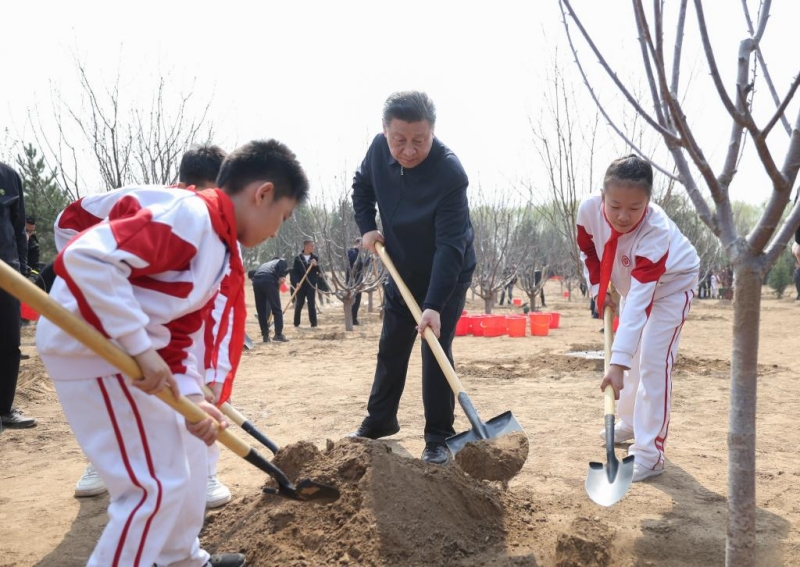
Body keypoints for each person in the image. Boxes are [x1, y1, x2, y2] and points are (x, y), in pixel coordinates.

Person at [35, 139, 308, 567]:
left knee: (176, 475)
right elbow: (86, 259)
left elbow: (179, 332)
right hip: (93, 348)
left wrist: (193, 398)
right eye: (283, 217)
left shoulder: (218, 248)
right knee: (153, 488)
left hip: (120, 355)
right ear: (263, 193)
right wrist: (140, 347)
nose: (277, 230)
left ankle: (180, 560)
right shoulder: (190, 217)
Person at [63, 145, 235, 509]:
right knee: (112, 396)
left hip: (175, 315)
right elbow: (69, 224)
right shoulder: (162, 205)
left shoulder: (219, 227)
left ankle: (203, 473)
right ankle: (103, 465)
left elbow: (224, 303)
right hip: (117, 318)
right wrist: (83, 295)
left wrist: (216, 378)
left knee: (186, 379)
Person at [349, 91, 476, 465]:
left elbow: (451, 246)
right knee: (392, 345)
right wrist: (366, 227)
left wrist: (434, 305)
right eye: (399, 140)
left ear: (432, 133)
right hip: (400, 266)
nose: (408, 150)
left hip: (446, 274)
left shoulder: (450, 174)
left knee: (435, 348)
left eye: (419, 140)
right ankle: (380, 420)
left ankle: (439, 436)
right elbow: (362, 187)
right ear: (385, 131)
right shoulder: (377, 152)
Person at [577, 154, 699, 483]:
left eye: (635, 207)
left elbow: (641, 302)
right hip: (635, 283)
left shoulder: (655, 231)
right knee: (631, 353)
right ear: (602, 195)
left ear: (648, 201)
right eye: (615, 205)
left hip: (672, 286)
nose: (623, 216)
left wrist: (614, 364)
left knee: (652, 362)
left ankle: (649, 453)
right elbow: (588, 250)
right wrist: (600, 291)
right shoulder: (588, 210)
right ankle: (629, 423)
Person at [0, 161, 37, 430]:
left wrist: (22, 273)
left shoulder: (9, 176)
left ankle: (4, 408)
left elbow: (18, 228)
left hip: (7, 273)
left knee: (9, 342)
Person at [252, 257, 290, 342]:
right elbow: (281, 278)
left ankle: (265, 336)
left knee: (261, 310)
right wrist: (281, 276)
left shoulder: (265, 264)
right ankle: (278, 334)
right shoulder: (281, 260)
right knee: (276, 309)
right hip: (268, 279)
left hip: (256, 280)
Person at [292, 239, 320, 327]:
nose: (313, 247)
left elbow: (319, 271)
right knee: (300, 303)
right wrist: (296, 282)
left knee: (311, 303)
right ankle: (296, 323)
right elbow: (295, 272)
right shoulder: (298, 258)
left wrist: (316, 265)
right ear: (306, 246)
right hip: (301, 284)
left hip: (311, 284)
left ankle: (314, 324)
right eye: (312, 245)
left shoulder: (315, 257)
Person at [347, 237, 365, 325]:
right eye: (362, 244)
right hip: (354, 282)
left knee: (357, 301)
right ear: (357, 243)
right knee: (355, 301)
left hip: (357, 281)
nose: (363, 246)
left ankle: (354, 318)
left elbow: (360, 266)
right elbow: (355, 266)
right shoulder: (353, 253)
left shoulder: (357, 253)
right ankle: (353, 319)